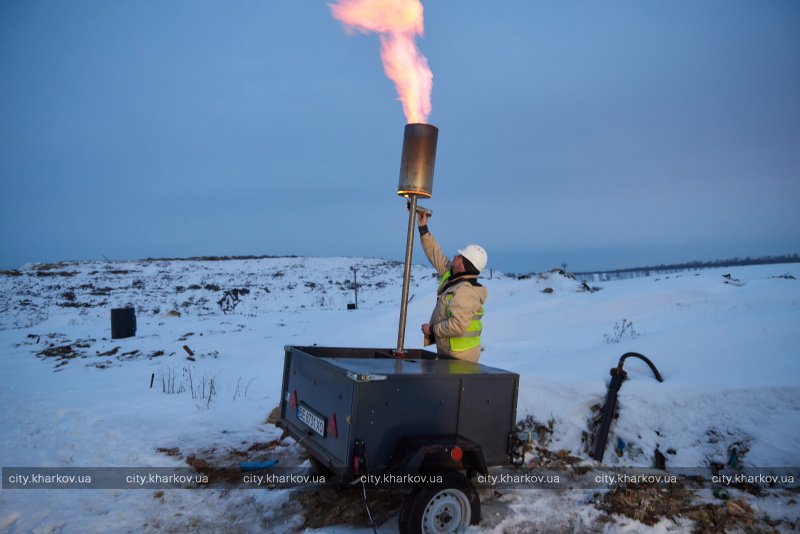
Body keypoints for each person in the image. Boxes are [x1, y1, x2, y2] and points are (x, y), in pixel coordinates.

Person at [416, 210, 488, 362]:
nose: (455, 256)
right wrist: (423, 228)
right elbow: (436, 254)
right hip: (449, 355)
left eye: (459, 256)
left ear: (463, 265)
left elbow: (457, 326)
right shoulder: (453, 276)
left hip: (460, 360)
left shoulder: (465, 292)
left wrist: (432, 330)